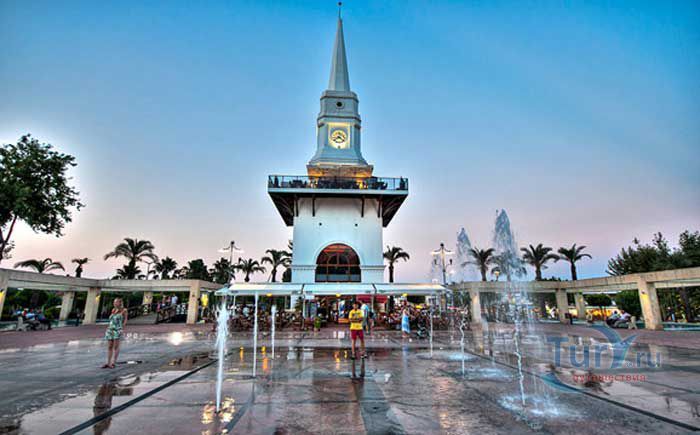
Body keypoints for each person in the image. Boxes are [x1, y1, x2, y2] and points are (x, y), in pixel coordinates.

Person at [103, 298, 128, 369]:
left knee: (116, 347)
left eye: (116, 302)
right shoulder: (113, 310)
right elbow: (111, 320)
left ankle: (113, 362)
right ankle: (108, 363)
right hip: (110, 329)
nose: (114, 303)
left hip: (117, 330)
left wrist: (121, 328)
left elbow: (125, 320)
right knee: (109, 346)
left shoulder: (124, 310)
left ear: (120, 303)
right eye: (114, 302)